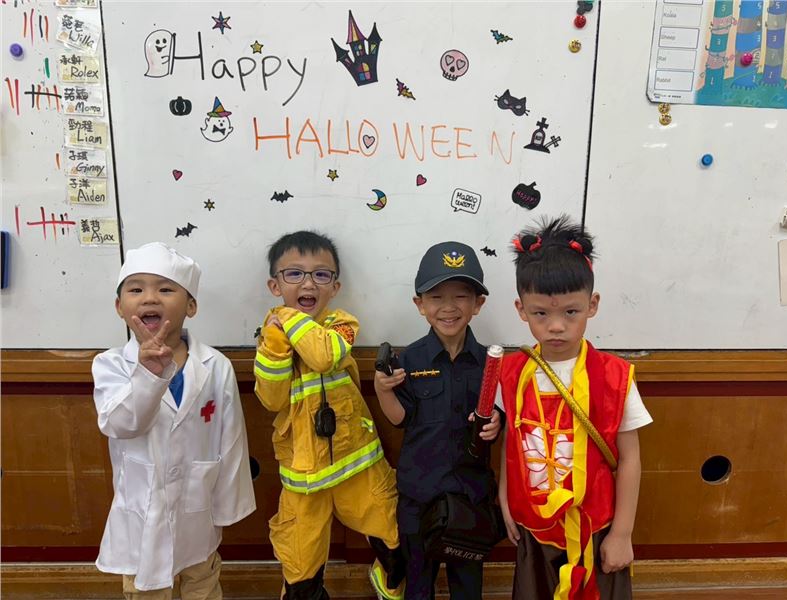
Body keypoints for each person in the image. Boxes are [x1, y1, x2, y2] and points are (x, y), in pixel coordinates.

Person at [497, 216, 653, 600]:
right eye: (541, 313)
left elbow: (630, 458)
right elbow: (511, 443)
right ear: (521, 309)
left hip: (595, 529)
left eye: (571, 312)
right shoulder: (511, 372)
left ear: (592, 305)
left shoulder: (615, 377)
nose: (556, 326)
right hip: (535, 528)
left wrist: (622, 534)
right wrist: (504, 497)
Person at [92, 242, 256, 599]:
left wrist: (227, 508)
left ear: (191, 306)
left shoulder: (215, 365)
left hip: (197, 511)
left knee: (203, 582)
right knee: (147, 589)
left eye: (166, 289)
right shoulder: (110, 365)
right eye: (136, 290)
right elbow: (120, 424)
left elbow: (231, 440)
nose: (150, 298)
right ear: (120, 307)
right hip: (142, 515)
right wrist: (148, 376)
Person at [253, 231, 405, 600]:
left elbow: (323, 356)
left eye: (321, 275)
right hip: (303, 472)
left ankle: (390, 580)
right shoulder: (272, 338)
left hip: (357, 460)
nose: (308, 284)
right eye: (294, 274)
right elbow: (271, 399)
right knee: (300, 562)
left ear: (335, 287)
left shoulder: (342, 323)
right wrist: (276, 344)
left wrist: (286, 317)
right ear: (274, 285)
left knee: (392, 533)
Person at [373, 241, 503, 600]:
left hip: (470, 496)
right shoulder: (410, 359)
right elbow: (400, 418)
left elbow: (500, 414)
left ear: (478, 304)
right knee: (418, 586)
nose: (448, 307)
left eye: (461, 296)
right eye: (436, 297)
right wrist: (382, 389)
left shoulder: (490, 362)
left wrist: (498, 422)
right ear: (420, 305)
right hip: (420, 496)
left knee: (468, 588)